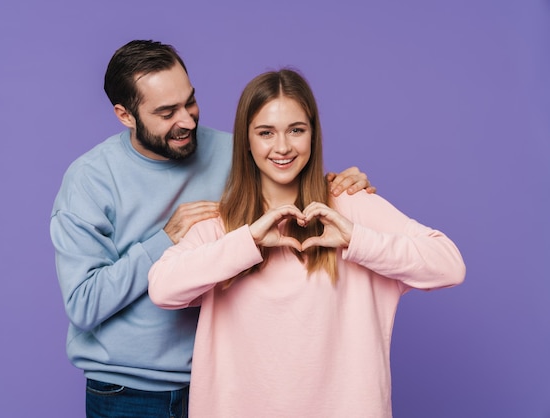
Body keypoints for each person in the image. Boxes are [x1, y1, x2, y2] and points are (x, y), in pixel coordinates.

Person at [50, 40, 374, 418]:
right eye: (167, 112)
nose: (186, 120)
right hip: (127, 391)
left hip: (225, 384)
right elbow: (84, 305)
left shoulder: (234, 152)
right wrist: (164, 240)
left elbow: (289, 183)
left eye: (190, 102)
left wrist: (341, 185)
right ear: (125, 115)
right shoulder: (89, 180)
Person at [148, 68, 466, 417]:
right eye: (266, 132)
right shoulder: (222, 226)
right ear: (246, 141)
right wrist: (249, 241)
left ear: (313, 135)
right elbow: (163, 288)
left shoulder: (351, 205)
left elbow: (449, 265)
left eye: (296, 130)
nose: (282, 147)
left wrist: (355, 240)